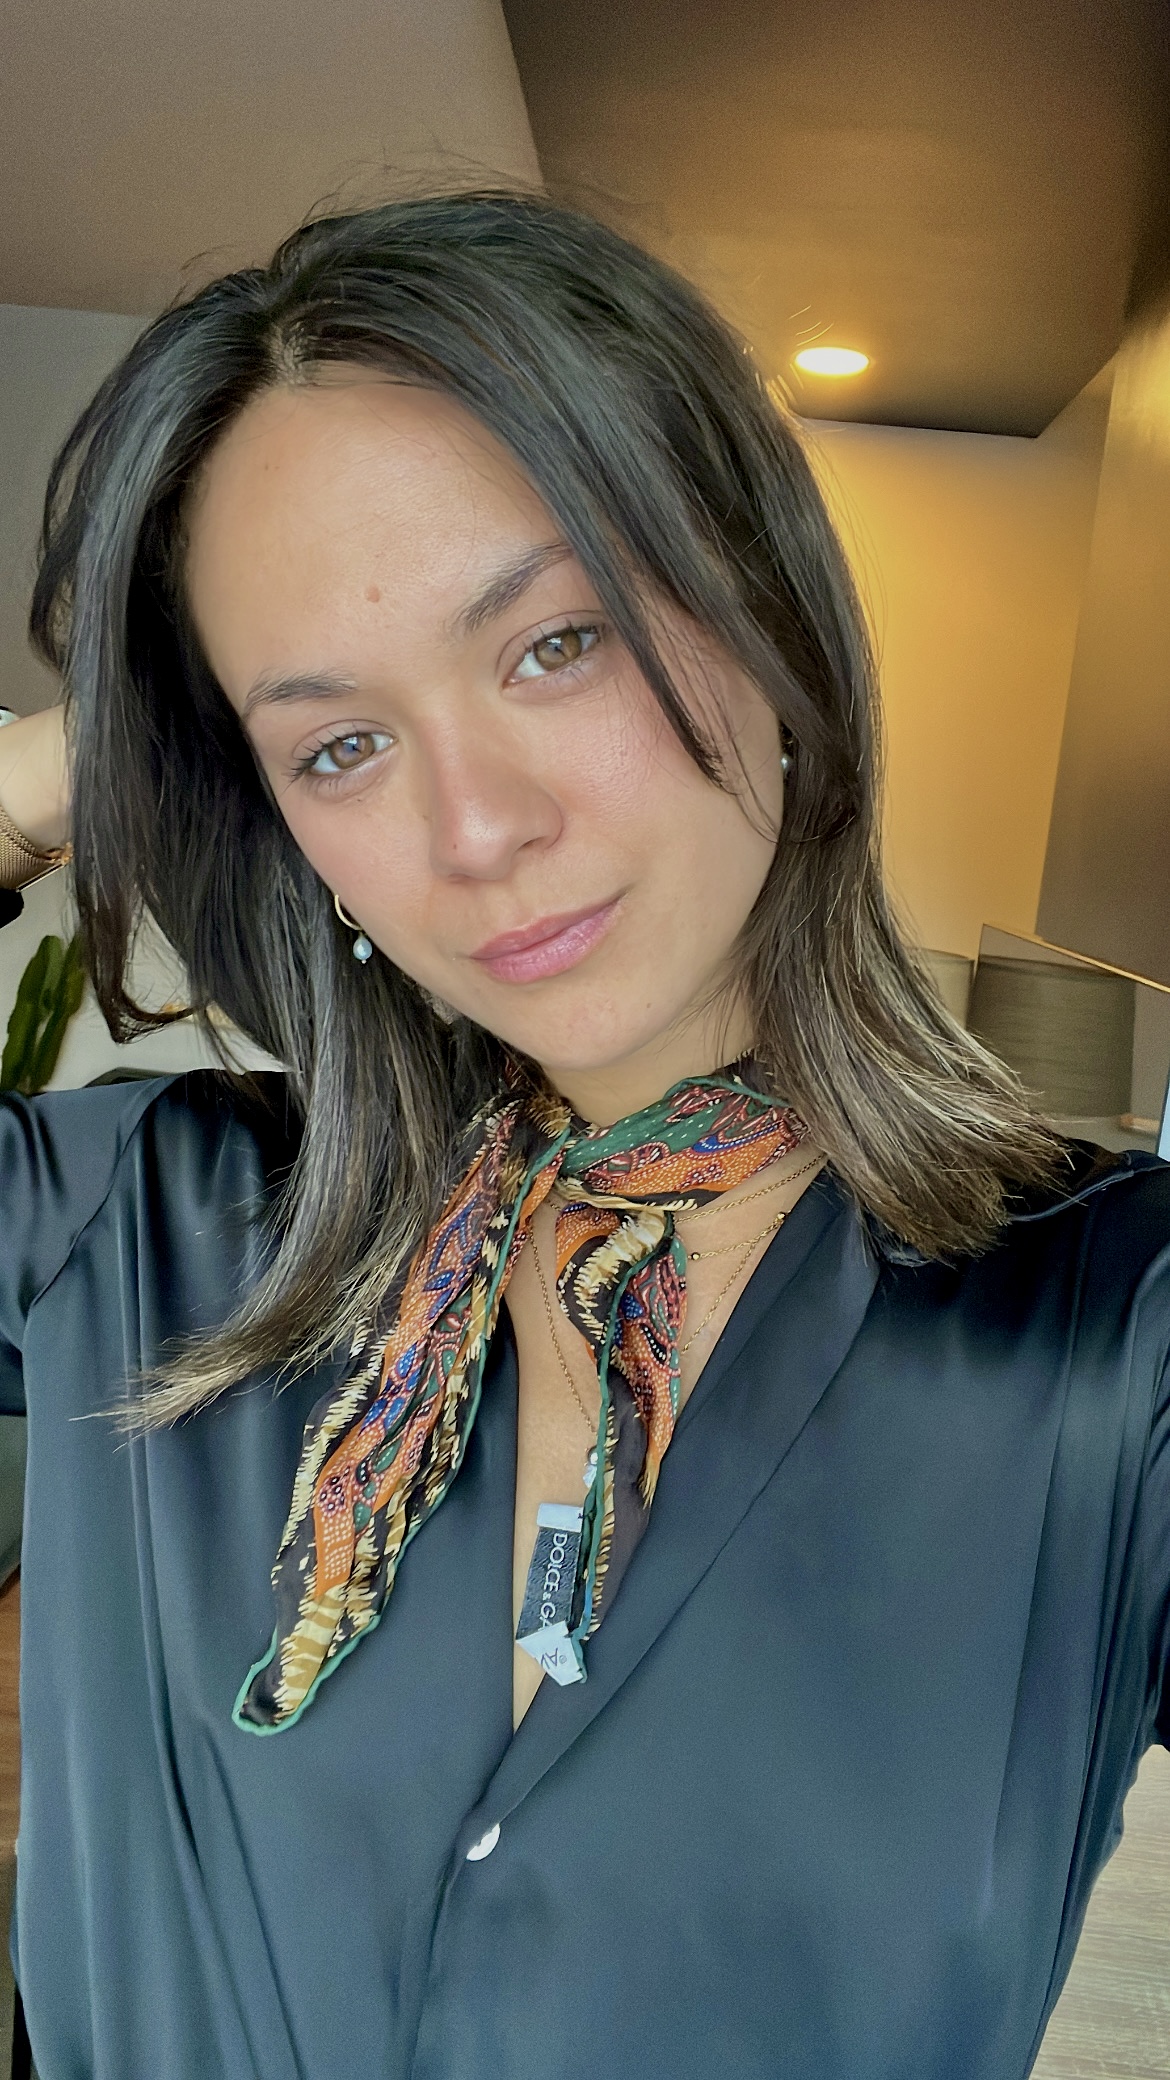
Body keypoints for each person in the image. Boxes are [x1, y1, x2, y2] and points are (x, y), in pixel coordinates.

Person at [0, 187, 1166, 2080]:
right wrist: (44, 770)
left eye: (555, 643)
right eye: (337, 745)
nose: (475, 829)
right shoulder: (139, 1226)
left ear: (768, 620)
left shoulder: (1112, 1334)